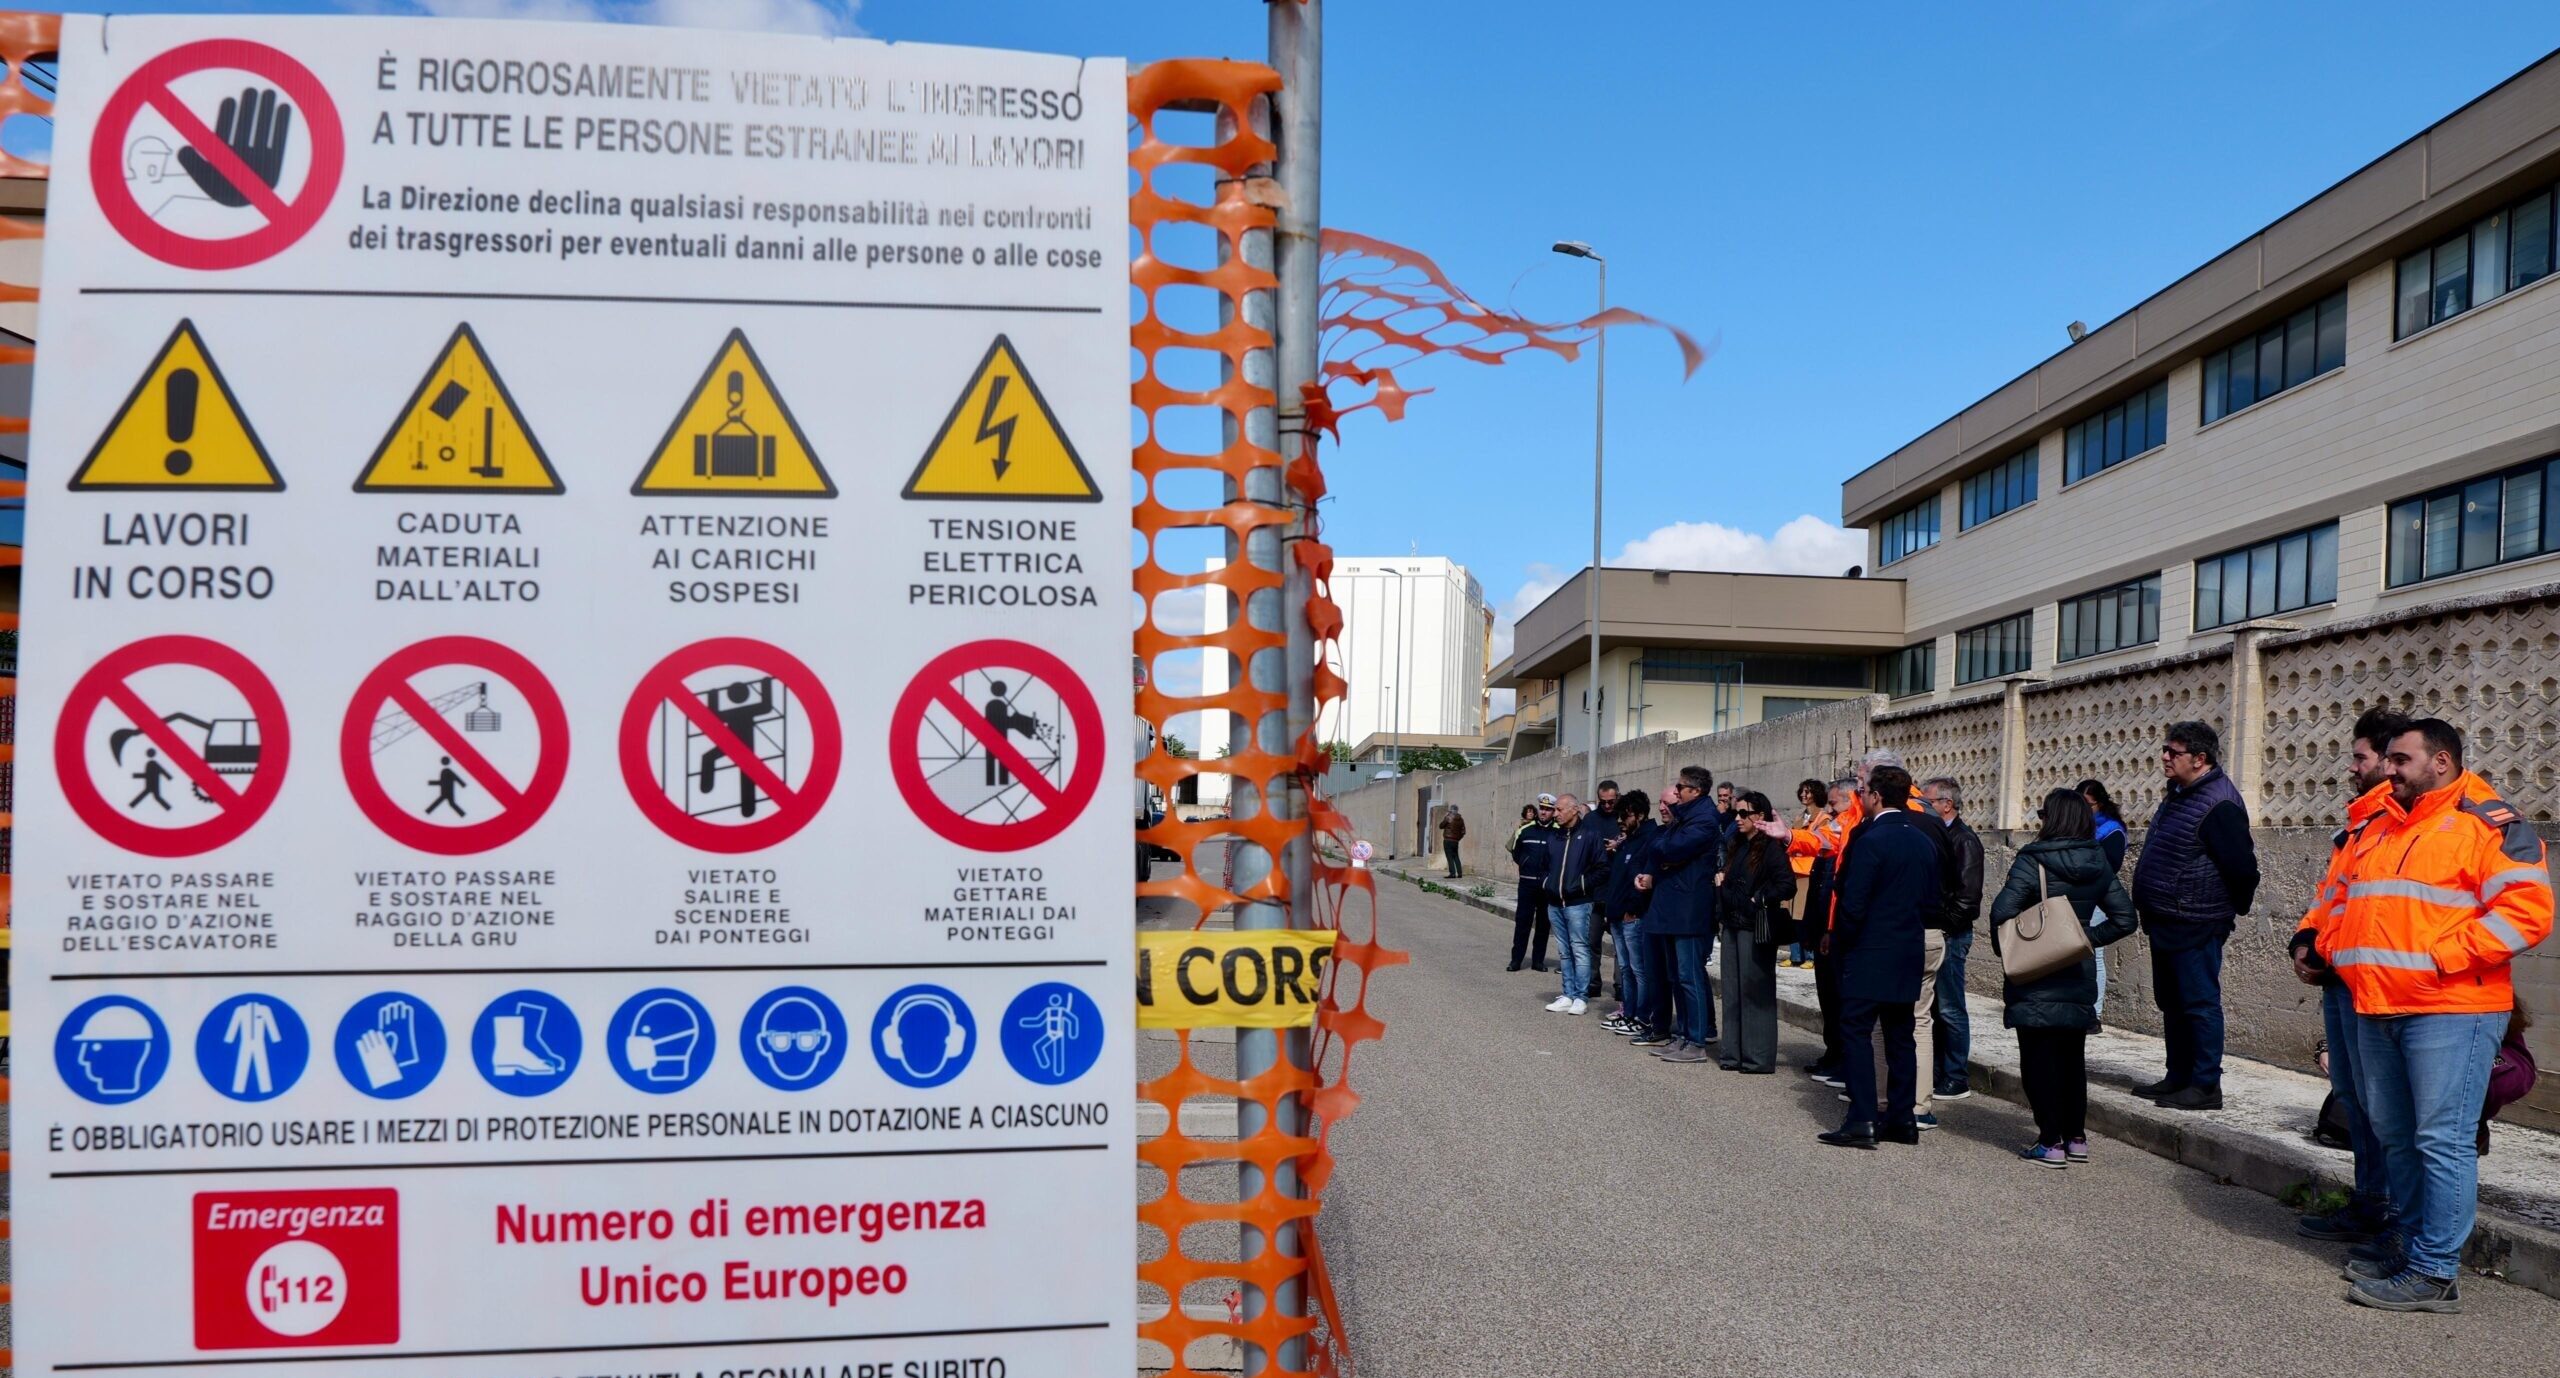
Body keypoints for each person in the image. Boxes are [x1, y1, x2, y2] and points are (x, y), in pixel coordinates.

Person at [2316, 718, 2551, 1313]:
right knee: (2395, 1135)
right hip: (2377, 1003)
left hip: (2451, 1008)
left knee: (2440, 1139)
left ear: (2441, 762)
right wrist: (2334, 951)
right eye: (2388, 759)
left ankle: (2436, 1271)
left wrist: (2441, 958)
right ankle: (2412, 1246)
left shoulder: (2488, 822)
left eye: (2401, 759)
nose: (2388, 769)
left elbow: (2528, 911)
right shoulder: (2381, 823)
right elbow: (2342, 899)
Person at [2287, 707, 2409, 1249]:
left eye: (2360, 757)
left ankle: (2393, 1214)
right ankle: (2370, 1200)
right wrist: (2305, 941)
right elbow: (2330, 897)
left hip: (2377, 982)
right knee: (2352, 1096)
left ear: (2388, 760)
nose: (2351, 767)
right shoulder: (2359, 825)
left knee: (2382, 1103)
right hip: (2339, 975)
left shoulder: (2401, 823)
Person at [1987, 788, 2139, 1167]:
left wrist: (2013, 950)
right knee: (2072, 1060)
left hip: (2036, 975)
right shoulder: (2098, 860)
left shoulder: (2033, 859)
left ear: (2051, 819)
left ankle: (2050, 1142)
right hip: (2077, 973)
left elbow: (2002, 912)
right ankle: (2077, 1139)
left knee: (2037, 1060)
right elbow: (2125, 918)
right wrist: (2082, 941)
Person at [2129, 721, 2260, 1111]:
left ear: (2200, 759)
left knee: (2199, 1003)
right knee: (2172, 1002)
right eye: (2165, 749)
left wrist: (2220, 913)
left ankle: (2204, 1086)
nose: (2165, 757)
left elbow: (2243, 869)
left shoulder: (2219, 804)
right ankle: (2178, 1076)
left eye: (2174, 752)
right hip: (2166, 918)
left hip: (2195, 921)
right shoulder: (2179, 793)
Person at [1820, 765, 1939, 1149]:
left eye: (1864, 792)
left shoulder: (1871, 838)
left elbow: (1853, 903)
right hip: (1907, 948)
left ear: (1875, 796)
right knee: (1900, 1035)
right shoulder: (1922, 839)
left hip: (1869, 949)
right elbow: (1932, 899)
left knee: (1856, 1032)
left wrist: (1845, 944)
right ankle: (1902, 1118)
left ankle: (1863, 1117)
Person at [1637, 765, 1721, 1063]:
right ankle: (1683, 1036)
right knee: (1676, 976)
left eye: (1681, 787)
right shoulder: (1685, 817)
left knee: (1689, 976)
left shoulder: (1704, 819)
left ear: (1695, 791)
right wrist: (1662, 854)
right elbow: (1657, 846)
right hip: (1673, 907)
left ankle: (1696, 1041)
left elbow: (1669, 849)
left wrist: (1664, 853)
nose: (1677, 791)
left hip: (1689, 909)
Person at [1716, 790, 1796, 1074]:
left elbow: (1787, 885)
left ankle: (1757, 1057)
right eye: (1736, 813)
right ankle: (1732, 1053)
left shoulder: (1771, 848)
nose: (1738, 818)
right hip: (1732, 923)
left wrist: (1758, 898)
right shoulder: (1737, 844)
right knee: (1731, 990)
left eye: (1744, 813)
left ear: (1760, 816)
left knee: (1756, 990)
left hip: (1754, 926)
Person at [1925, 776, 1984, 1106]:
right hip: (1939, 930)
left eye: (1929, 802)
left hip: (1952, 934)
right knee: (1935, 1007)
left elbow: (1968, 897)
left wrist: (1945, 926)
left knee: (1950, 1007)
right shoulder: (1940, 836)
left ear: (1947, 804)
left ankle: (1956, 1075)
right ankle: (1938, 1071)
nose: (1925, 808)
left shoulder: (1964, 840)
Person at [1802, 771, 1863, 1087]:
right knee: (1827, 995)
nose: (1829, 811)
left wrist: (1829, 930)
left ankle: (1843, 1059)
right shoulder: (1833, 833)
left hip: (1838, 931)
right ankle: (1832, 1052)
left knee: (1840, 998)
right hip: (1823, 928)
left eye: (1834, 805)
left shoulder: (1853, 837)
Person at [1540, 793, 1612, 1016]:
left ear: (1574, 810)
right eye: (1555, 810)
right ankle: (1568, 994)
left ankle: (1581, 997)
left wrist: (1580, 885)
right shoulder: (1554, 837)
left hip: (1578, 903)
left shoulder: (1590, 835)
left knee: (1579, 949)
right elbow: (1544, 866)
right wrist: (1547, 883)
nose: (1556, 814)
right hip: (1555, 903)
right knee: (1564, 951)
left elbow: (1602, 868)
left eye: (1560, 809)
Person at [1602, 791, 1660, 1039]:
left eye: (1625, 816)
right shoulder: (1628, 840)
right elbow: (1618, 878)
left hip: (1633, 916)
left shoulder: (1649, 839)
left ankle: (1641, 1017)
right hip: (1618, 914)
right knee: (1625, 969)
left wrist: (1632, 910)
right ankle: (1628, 1012)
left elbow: (1642, 880)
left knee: (1639, 970)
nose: (1620, 821)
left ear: (1641, 815)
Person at [2079, 777, 2128, 1023]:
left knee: (2093, 954)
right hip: (2076, 897)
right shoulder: (2078, 827)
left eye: (2088, 805)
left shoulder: (2111, 830)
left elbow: (2111, 866)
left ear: (2099, 803)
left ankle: (2094, 1012)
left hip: (2097, 899)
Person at [1506, 797, 1557, 972]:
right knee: (1522, 923)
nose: (1543, 812)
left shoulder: (1558, 831)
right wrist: (1524, 862)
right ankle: (1516, 960)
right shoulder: (1525, 830)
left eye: (1548, 809)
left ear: (1553, 812)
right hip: (1527, 884)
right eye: (1541, 808)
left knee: (1543, 925)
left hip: (1546, 886)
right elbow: (1515, 851)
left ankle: (1538, 961)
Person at [1785, 779, 1830, 968]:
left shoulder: (1823, 818)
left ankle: (1810, 955)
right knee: (1792, 914)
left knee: (1805, 914)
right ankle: (1795, 955)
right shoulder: (1799, 817)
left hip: (1808, 870)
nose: (1803, 795)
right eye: (1802, 791)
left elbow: (1819, 844)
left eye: (1808, 791)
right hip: (1794, 870)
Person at [1439, 805, 1466, 878]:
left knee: (1449, 857)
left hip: (1448, 840)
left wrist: (1445, 818)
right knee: (1456, 856)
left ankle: (1452, 873)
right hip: (1455, 841)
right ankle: (1459, 873)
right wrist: (1458, 839)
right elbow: (1463, 832)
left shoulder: (1448, 817)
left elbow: (1441, 826)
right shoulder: (1461, 819)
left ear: (1450, 810)